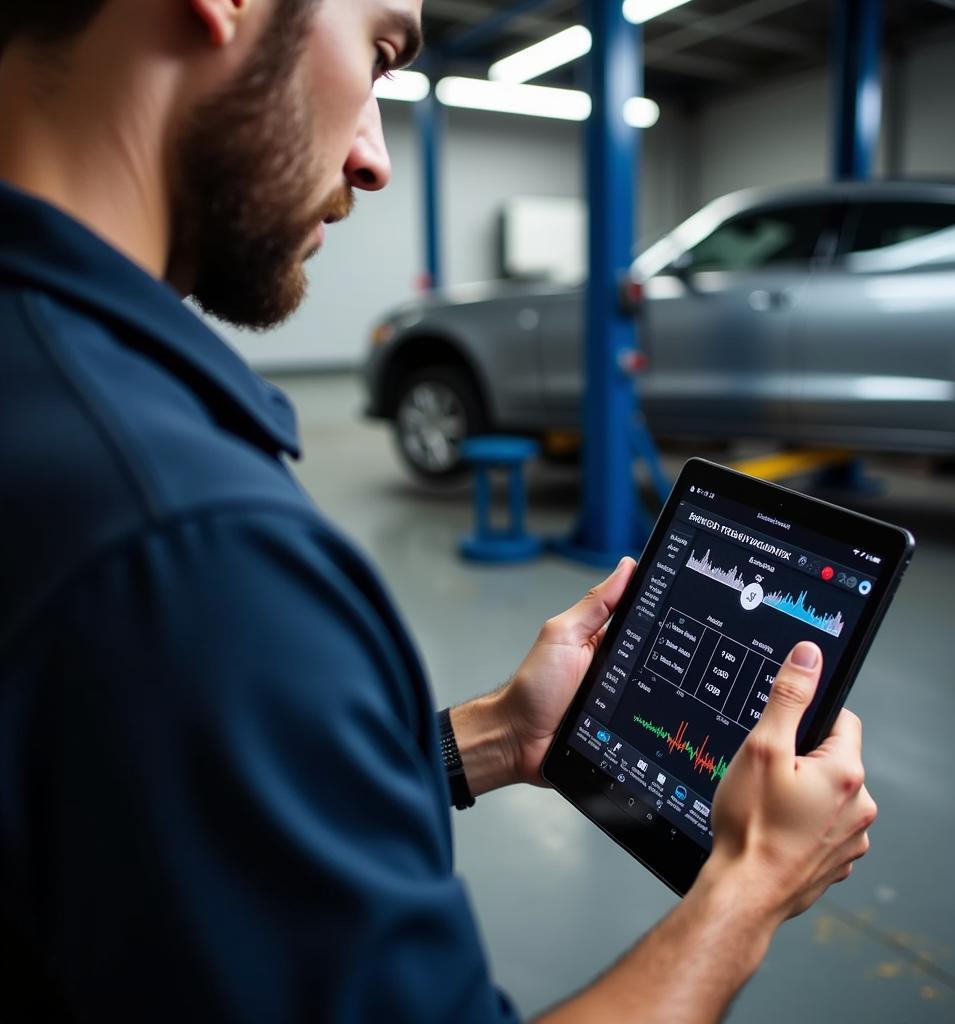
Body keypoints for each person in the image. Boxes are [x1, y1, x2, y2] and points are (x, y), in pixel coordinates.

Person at [0, 1, 877, 1021]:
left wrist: (500, 734)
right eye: (377, 56)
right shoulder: (193, 553)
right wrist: (749, 886)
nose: (373, 157)